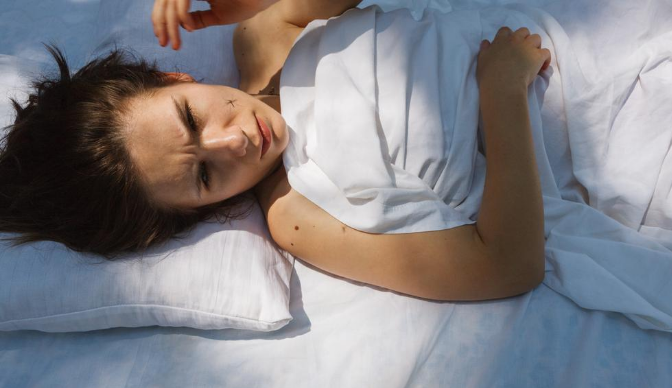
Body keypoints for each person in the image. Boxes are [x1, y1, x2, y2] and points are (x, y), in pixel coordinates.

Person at [0, 0, 549, 301]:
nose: (233, 142)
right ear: (194, 211)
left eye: (192, 117)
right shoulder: (295, 214)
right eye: (205, 176)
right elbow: (506, 266)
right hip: (540, 98)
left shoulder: (265, 34)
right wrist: (502, 92)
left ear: (173, 76)